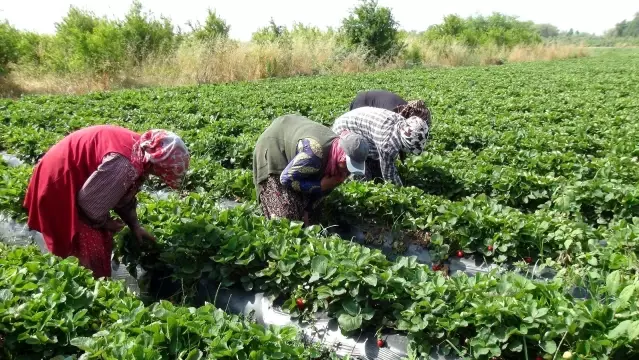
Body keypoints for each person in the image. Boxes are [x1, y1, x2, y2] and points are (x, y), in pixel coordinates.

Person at [23, 125, 190, 278]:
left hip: (68, 179)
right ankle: (86, 287)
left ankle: (91, 283)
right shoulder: (124, 164)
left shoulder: (141, 149)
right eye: (161, 173)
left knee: (98, 241)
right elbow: (88, 205)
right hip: (58, 184)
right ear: (158, 164)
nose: (159, 176)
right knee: (86, 247)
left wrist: (135, 226)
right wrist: (106, 223)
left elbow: (121, 194)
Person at [253, 114, 369, 225]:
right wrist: (320, 185)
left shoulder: (340, 166)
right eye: (347, 165)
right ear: (341, 156)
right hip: (275, 146)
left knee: (313, 218)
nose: (347, 172)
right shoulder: (314, 153)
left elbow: (321, 193)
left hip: (300, 157)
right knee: (286, 219)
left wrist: (308, 211)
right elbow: (286, 179)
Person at [332, 105, 430, 186]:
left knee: (374, 165)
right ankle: (348, 182)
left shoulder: (403, 123)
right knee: (361, 176)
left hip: (357, 126)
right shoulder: (387, 143)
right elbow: (389, 175)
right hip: (344, 132)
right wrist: (401, 191)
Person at [349, 90, 431, 162]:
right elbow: (389, 141)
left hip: (368, 99)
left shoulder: (407, 114)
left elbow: (401, 140)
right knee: (362, 145)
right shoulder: (395, 116)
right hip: (363, 102)